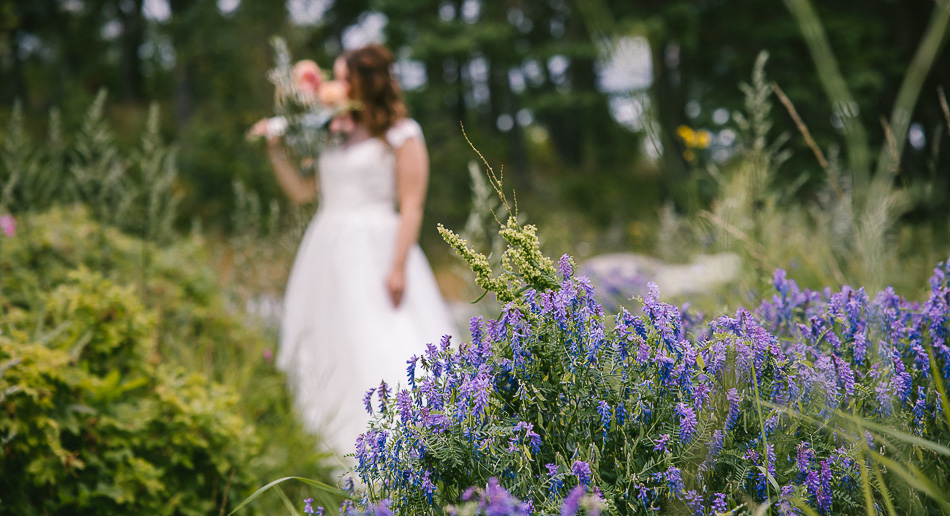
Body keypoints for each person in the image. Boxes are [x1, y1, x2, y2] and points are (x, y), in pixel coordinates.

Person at [249, 44, 458, 465]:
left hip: (378, 246)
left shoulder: (402, 134)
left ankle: (413, 443)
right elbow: (303, 193)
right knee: (328, 338)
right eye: (336, 78)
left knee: (382, 335)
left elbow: (412, 203)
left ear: (369, 81)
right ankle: (331, 440)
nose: (335, 87)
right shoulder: (333, 131)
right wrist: (275, 149)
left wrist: (397, 267)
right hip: (326, 248)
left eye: (344, 78)